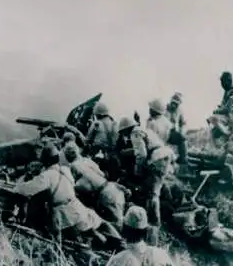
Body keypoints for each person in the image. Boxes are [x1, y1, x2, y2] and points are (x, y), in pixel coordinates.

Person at [13, 143, 122, 246]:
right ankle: (119, 244)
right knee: (99, 223)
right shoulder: (65, 170)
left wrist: (17, 185)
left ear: (45, 161)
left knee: (72, 239)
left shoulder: (47, 176)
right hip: (76, 205)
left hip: (64, 214)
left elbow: (26, 190)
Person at [117, 116, 176, 245]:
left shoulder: (135, 133)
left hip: (158, 159)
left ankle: (154, 224)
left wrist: (137, 171)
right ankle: (159, 218)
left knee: (152, 194)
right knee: (156, 188)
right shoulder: (142, 129)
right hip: (163, 157)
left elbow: (141, 154)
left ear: (126, 129)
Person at [63, 142, 129, 231]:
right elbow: (102, 174)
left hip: (105, 195)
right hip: (111, 187)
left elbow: (77, 186)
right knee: (123, 223)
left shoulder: (73, 167)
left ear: (68, 156)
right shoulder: (87, 160)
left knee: (117, 227)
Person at [85, 102, 120, 180]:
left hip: (97, 154)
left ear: (98, 114)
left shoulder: (96, 123)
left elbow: (88, 140)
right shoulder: (114, 123)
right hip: (111, 155)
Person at [165, 92, 189, 167]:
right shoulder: (164, 108)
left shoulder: (180, 111)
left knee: (182, 139)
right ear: (171, 101)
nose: (174, 105)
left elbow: (182, 123)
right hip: (161, 131)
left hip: (171, 132)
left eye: (176, 104)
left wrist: (182, 132)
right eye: (173, 102)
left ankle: (183, 159)